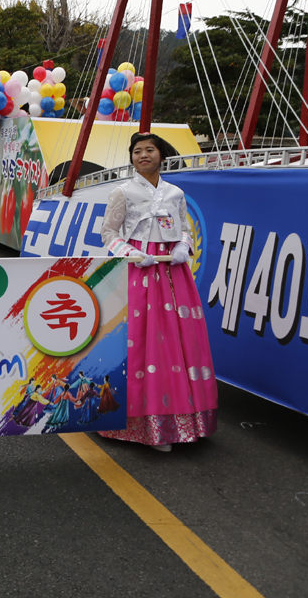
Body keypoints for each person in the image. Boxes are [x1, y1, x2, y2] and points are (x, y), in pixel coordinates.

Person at [98, 131, 217, 453]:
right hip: (138, 271)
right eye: (137, 151)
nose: (143, 156)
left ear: (161, 155)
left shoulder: (175, 193)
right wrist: (130, 253)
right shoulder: (122, 191)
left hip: (173, 274)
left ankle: (180, 420)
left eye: (149, 150)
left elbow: (185, 231)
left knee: (178, 342)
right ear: (132, 157)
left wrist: (182, 246)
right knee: (139, 341)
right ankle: (142, 424)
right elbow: (108, 233)